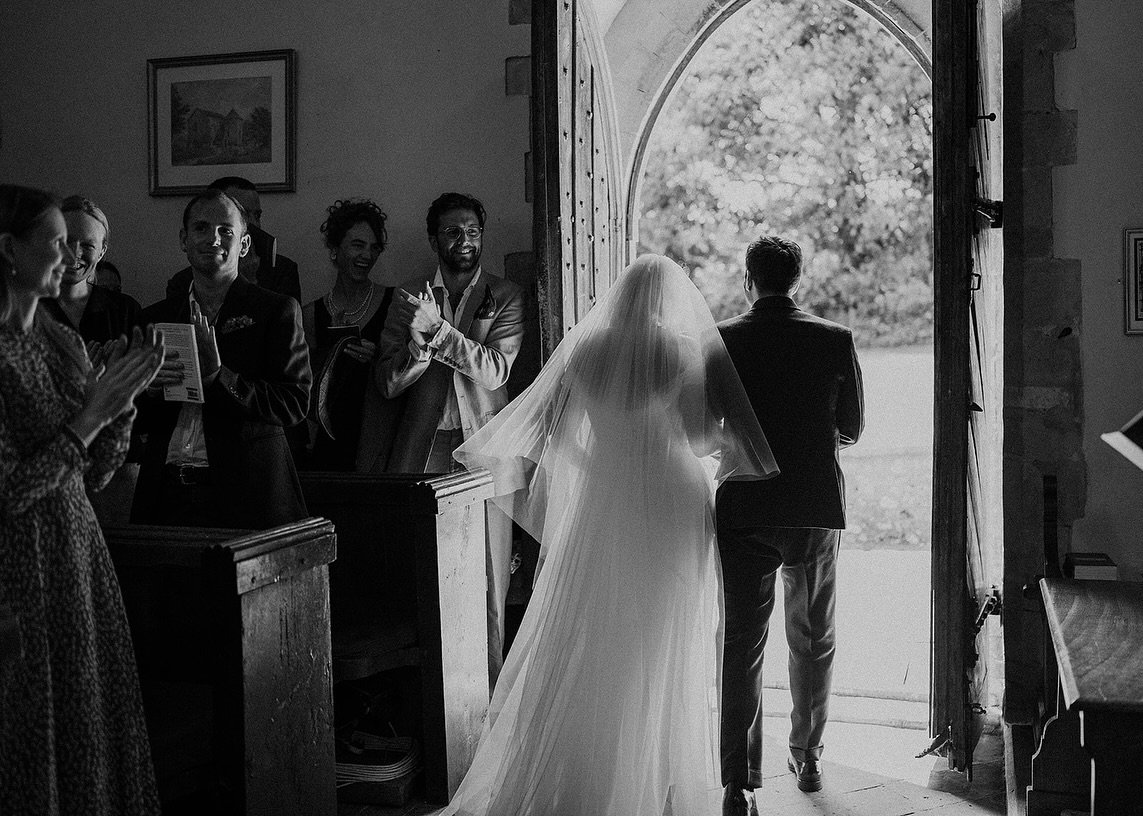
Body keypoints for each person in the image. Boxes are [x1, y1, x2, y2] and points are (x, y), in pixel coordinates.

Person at [436, 254, 777, 816]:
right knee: (662, 637)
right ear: (668, 300)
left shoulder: (586, 349)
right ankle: (657, 780)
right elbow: (696, 438)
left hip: (605, 499)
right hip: (670, 503)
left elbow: (561, 440)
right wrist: (719, 440)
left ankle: (586, 773)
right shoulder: (679, 350)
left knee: (595, 631)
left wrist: (605, 467)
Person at [0, 184, 164, 815]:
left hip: (77, 556)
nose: (71, 256)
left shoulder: (57, 338)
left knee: (90, 721)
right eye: (58, 241)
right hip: (21, 568)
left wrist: (119, 407)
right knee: (34, 726)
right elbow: (11, 490)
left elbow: (93, 474)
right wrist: (91, 414)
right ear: (11, 250)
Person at [716, 236, 864, 813]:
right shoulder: (834, 339)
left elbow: (707, 421)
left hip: (747, 507)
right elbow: (851, 427)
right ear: (797, 281)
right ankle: (807, 757)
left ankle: (737, 783)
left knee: (741, 645)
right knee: (812, 638)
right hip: (811, 508)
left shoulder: (723, 339)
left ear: (748, 278)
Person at [377, 192, 525, 686]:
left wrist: (437, 333)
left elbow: (495, 370)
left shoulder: (504, 295)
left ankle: (488, 698)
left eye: (473, 232)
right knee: (422, 578)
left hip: (483, 454)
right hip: (425, 451)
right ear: (433, 238)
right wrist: (416, 356)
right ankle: (426, 696)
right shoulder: (407, 296)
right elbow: (386, 383)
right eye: (452, 232)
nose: (464, 242)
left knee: (488, 581)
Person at [131, 188, 311, 530]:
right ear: (184, 240)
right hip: (166, 493)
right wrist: (147, 391)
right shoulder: (155, 317)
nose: (212, 238)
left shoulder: (275, 310)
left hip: (247, 495)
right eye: (200, 228)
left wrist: (219, 378)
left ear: (243, 245)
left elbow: (294, 403)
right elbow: (133, 418)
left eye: (225, 230)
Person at [301, 198, 397, 471]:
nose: (367, 255)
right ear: (334, 248)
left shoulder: (394, 301)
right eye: (357, 245)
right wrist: (328, 353)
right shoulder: (310, 313)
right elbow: (303, 385)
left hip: (378, 441)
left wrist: (378, 358)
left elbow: (403, 372)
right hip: (327, 443)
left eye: (374, 247)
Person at [165, 176, 302, 304]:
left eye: (257, 215)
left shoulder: (282, 272)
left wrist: (249, 281)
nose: (253, 224)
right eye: (244, 213)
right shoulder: (181, 283)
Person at [40, 196, 141, 344]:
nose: (74, 254)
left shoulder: (126, 311)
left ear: (101, 252)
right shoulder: (26, 307)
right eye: (67, 241)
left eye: (87, 246)